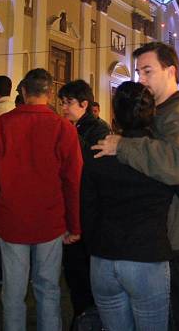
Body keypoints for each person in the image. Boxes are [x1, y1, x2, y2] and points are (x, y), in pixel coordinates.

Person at [92, 42, 179, 331]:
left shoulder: (177, 113)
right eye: (138, 71)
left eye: (147, 71)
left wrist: (124, 146)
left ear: (171, 71)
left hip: (175, 237)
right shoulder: (163, 111)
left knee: (175, 318)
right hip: (164, 236)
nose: (141, 79)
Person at [0, 69, 83, 331]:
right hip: (50, 220)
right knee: (48, 287)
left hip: (12, 220)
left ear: (23, 91)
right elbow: (73, 181)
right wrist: (75, 225)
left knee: (13, 290)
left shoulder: (1, 126)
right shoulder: (63, 128)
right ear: (49, 93)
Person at [82, 81, 176, 331]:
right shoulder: (160, 156)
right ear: (152, 114)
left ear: (115, 115)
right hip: (147, 255)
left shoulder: (97, 155)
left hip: (103, 256)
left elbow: (87, 210)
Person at [58, 79, 110, 323]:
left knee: (83, 270)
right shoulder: (75, 126)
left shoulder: (97, 129)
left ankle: (89, 318)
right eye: (62, 102)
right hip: (76, 205)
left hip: (88, 209)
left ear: (84, 104)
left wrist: (70, 137)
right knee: (75, 272)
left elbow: (91, 164)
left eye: (69, 102)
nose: (64, 107)